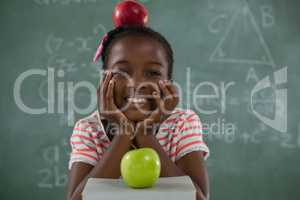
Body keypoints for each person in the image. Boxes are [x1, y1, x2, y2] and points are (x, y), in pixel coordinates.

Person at [67, 24, 210, 200]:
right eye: (121, 71)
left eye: (152, 72)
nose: (136, 83)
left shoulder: (182, 124)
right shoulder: (89, 130)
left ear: (169, 83)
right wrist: (124, 134)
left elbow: (199, 198)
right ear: (104, 79)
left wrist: (145, 134)